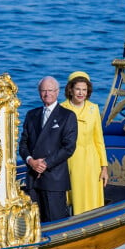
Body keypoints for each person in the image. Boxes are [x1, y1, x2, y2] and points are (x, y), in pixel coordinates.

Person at [19, 76, 78, 222]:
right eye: (43, 90)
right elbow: (23, 144)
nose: (47, 94)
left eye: (50, 90)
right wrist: (31, 161)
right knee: (34, 223)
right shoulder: (31, 115)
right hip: (33, 178)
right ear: (39, 92)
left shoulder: (67, 116)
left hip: (54, 179)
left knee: (55, 222)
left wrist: (45, 164)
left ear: (57, 92)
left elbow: (69, 147)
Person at [60, 71, 109, 215]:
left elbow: (99, 140)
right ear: (70, 90)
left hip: (92, 160)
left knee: (93, 196)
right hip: (71, 160)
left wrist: (104, 167)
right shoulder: (62, 109)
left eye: (84, 89)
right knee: (76, 195)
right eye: (78, 89)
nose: (81, 93)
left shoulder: (93, 108)